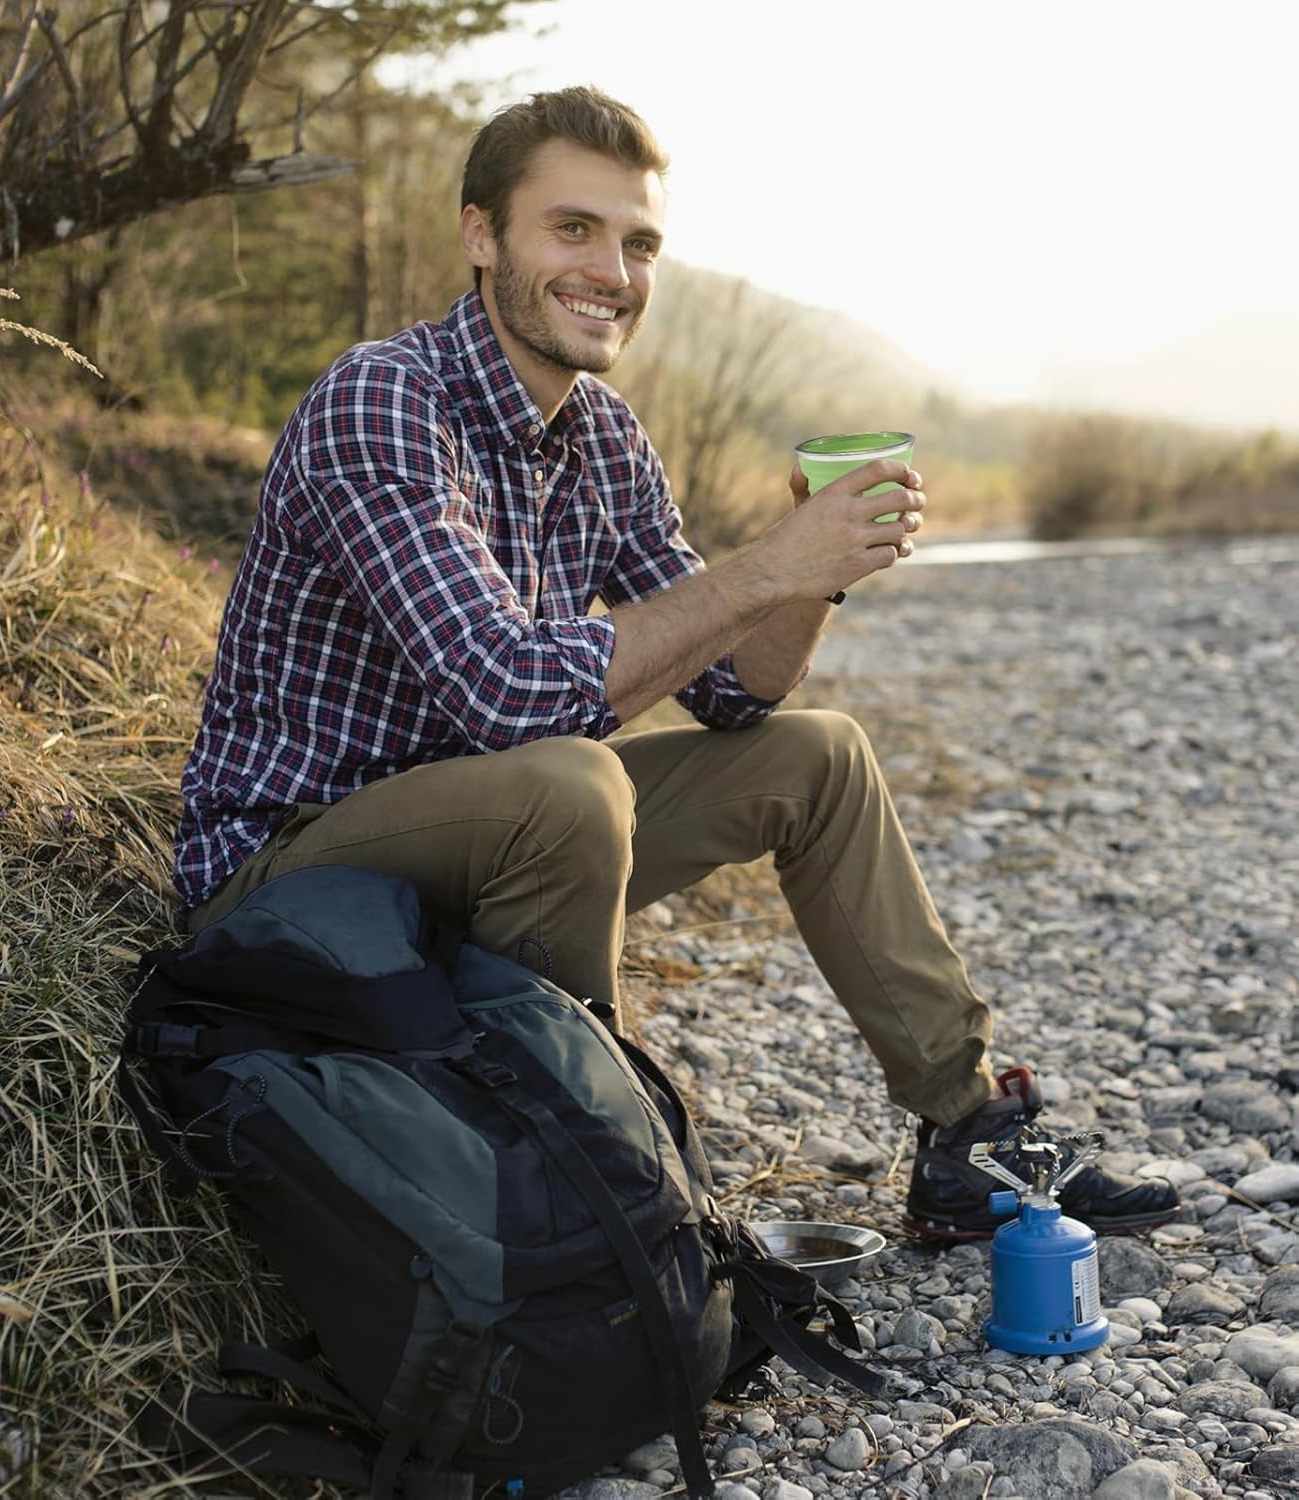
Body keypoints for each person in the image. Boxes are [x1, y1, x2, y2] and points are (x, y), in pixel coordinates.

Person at [173, 86, 1177, 1240]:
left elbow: (734, 694)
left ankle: (967, 1135)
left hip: (500, 849)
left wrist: (812, 570)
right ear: (481, 237)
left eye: (638, 242)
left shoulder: (604, 437)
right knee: (569, 777)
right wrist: (760, 568)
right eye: (573, 229)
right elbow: (506, 696)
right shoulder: (383, 399)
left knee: (819, 757)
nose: (613, 270)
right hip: (299, 880)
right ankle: (598, 1164)